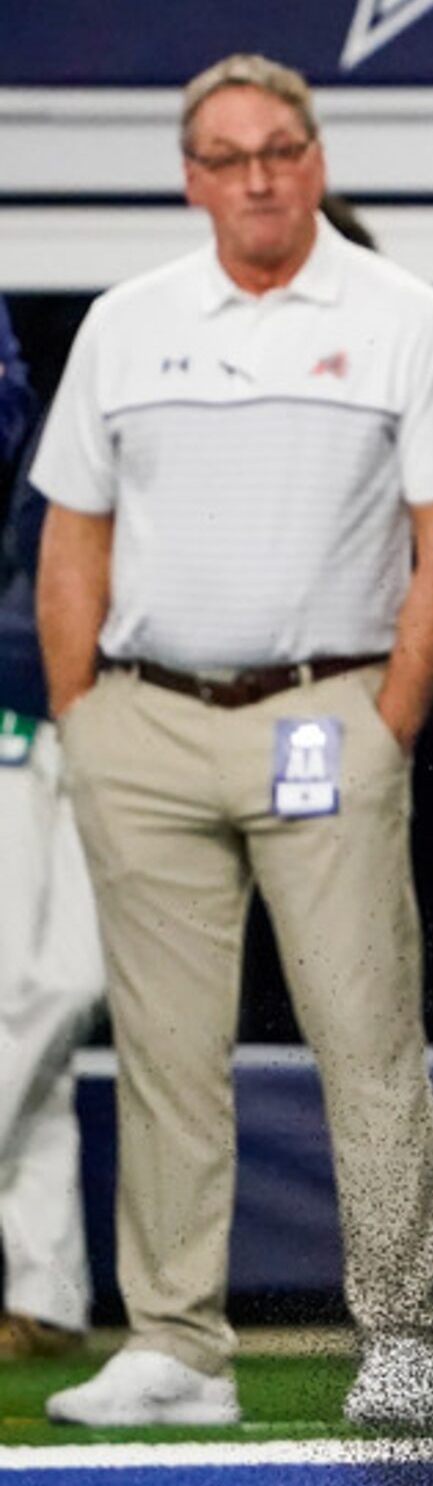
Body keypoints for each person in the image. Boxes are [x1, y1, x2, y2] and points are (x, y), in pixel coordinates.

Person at [31, 52, 433, 1427]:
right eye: (227, 158)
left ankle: (403, 1338)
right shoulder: (127, 321)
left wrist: (388, 718)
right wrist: (89, 714)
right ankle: (177, 1348)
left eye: (280, 149)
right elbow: (73, 534)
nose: (259, 178)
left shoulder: (407, 318)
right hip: (145, 721)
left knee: (367, 1030)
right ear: (191, 179)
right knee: (164, 1047)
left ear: (318, 158)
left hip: (326, 715)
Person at [0, 302, 104, 1367]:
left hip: (126, 707)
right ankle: (49, 1289)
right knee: (23, 1000)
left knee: (61, 990)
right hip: (22, 696)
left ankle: (48, 1285)